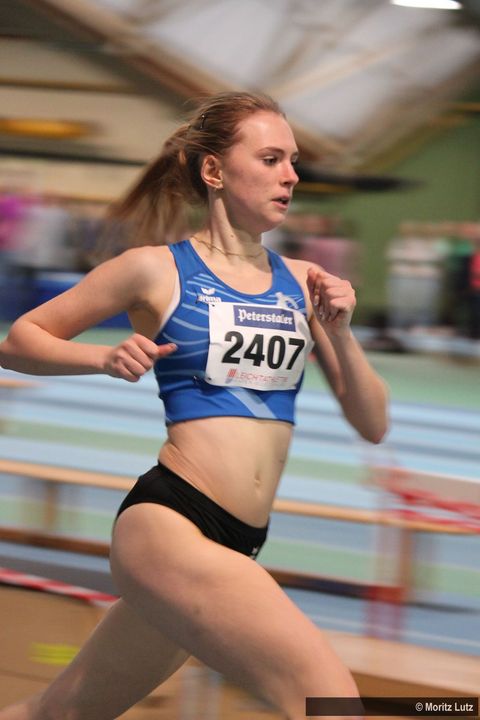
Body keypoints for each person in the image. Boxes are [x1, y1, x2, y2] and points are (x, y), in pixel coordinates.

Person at [0, 91, 388, 720]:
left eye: (294, 161)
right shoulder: (155, 270)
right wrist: (100, 357)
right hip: (171, 525)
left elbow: (373, 423)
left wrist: (340, 332)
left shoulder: (305, 282)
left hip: (236, 542)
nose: (291, 175)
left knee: (62, 712)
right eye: (271, 159)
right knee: (328, 699)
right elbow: (19, 341)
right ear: (214, 171)